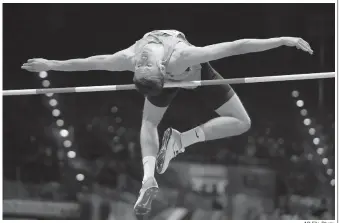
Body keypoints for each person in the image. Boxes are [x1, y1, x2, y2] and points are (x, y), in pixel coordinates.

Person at [21, 30, 313, 215]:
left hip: (192, 72)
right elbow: (88, 62)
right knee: (235, 121)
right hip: (180, 74)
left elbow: (236, 46)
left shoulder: (159, 56)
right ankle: (163, 161)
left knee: (155, 124)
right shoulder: (133, 60)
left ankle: (164, 159)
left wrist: (282, 41)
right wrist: (50, 64)